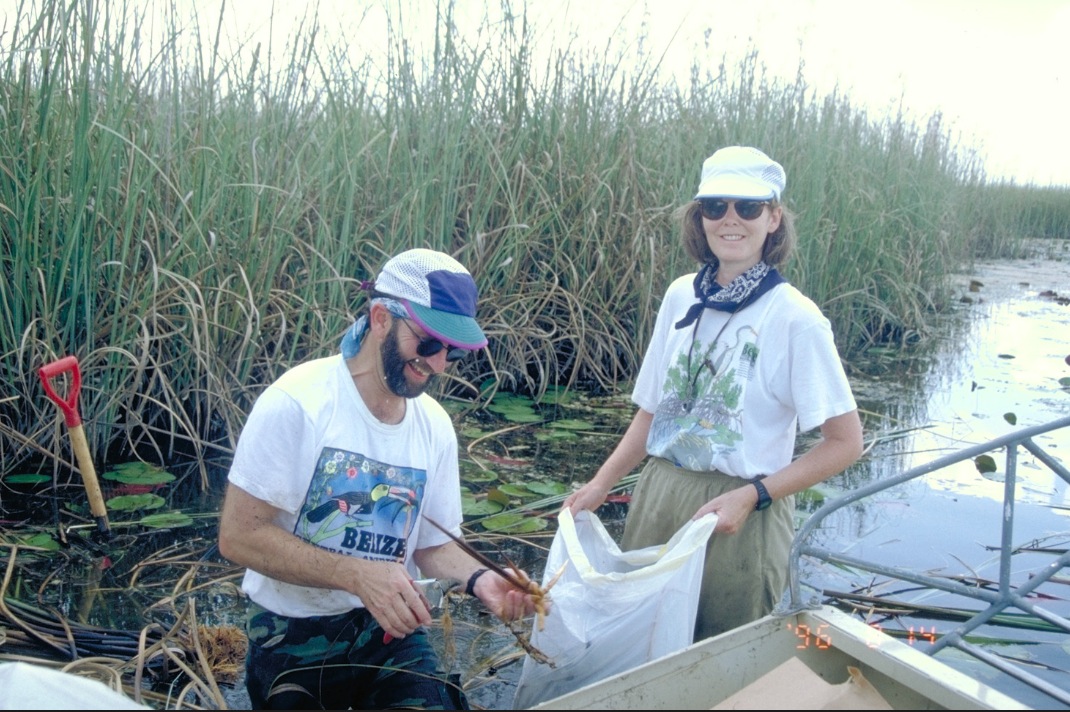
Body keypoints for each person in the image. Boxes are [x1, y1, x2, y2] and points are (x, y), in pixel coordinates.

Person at [563, 146, 864, 641]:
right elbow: (654, 412)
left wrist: (754, 495)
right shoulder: (681, 295)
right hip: (660, 493)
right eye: (716, 206)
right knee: (638, 647)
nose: (730, 220)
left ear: (774, 218)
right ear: (699, 216)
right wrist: (601, 484)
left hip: (742, 513)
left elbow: (845, 443)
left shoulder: (796, 317)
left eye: (748, 208)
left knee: (719, 658)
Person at [218, 248, 540, 710]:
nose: (438, 362)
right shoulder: (297, 403)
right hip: (291, 635)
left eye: (452, 350)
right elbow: (238, 536)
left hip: (389, 632)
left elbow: (430, 544)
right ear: (381, 318)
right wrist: (356, 575)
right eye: (428, 342)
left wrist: (480, 578)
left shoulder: (434, 426)